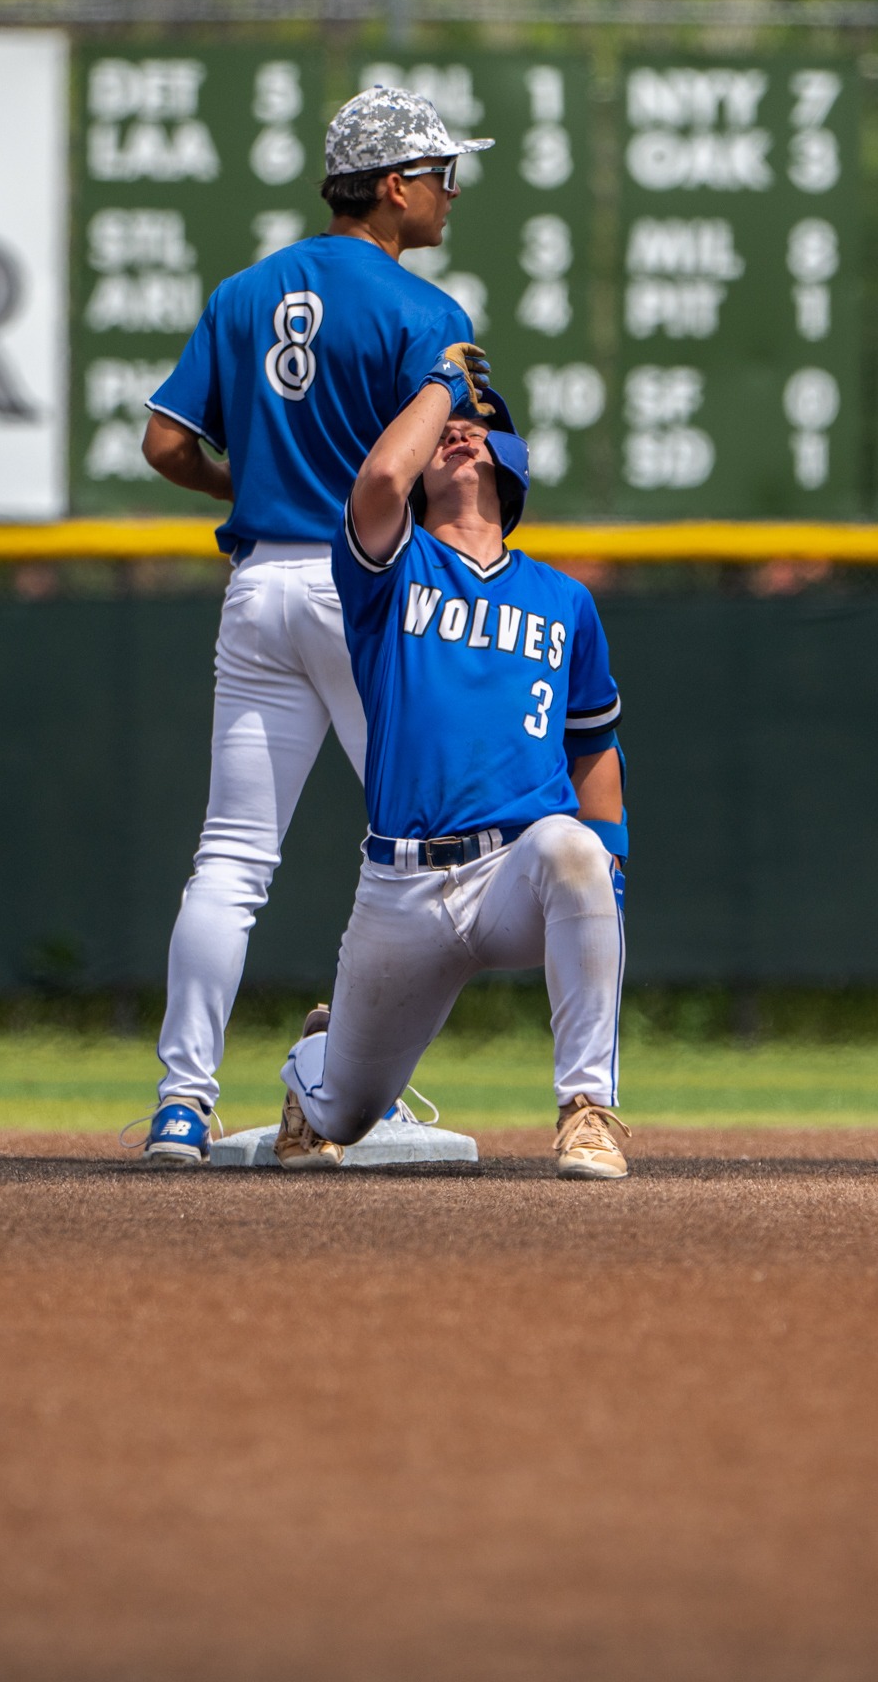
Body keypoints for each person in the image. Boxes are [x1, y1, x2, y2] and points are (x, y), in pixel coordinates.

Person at [131, 86, 495, 1168]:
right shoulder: (427, 313)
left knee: (230, 858)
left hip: (258, 588)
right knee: (419, 845)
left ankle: (180, 1106)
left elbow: (163, 443)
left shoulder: (244, 293)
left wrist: (246, 486)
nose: (451, 191)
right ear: (392, 186)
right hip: (365, 589)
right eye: (439, 173)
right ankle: (344, 1085)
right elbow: (454, 471)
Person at [271, 359, 632, 1181]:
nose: (460, 430)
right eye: (443, 429)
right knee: (342, 1117)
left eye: (481, 425)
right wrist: (437, 382)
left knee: (573, 850)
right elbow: (378, 482)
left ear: (514, 465)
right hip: (400, 884)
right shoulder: (390, 569)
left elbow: (593, 745)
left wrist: (611, 860)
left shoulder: (565, 601)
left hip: (514, 870)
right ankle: (317, 1059)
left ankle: (587, 1109)